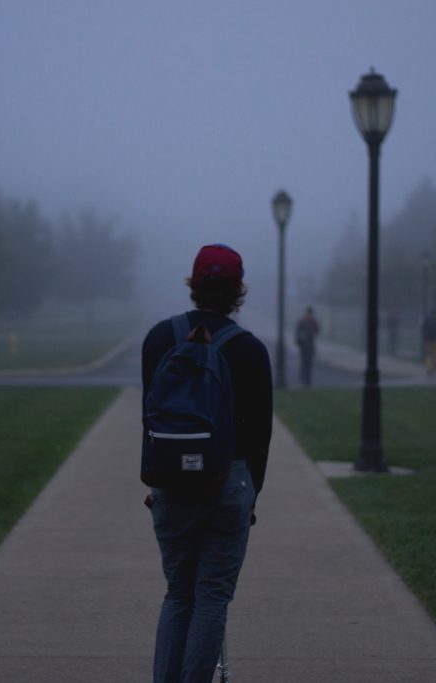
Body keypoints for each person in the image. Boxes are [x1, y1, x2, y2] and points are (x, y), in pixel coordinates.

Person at [141, 244, 273, 683]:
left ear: (194, 285)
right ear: (238, 291)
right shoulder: (250, 350)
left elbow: (149, 418)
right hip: (228, 482)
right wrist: (251, 495)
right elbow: (260, 437)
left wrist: (157, 480)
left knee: (179, 594)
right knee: (212, 596)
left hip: (171, 484)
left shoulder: (159, 339)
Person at [294, 305, 320, 386]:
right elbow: (298, 332)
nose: (309, 315)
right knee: (304, 361)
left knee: (308, 362)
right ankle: (304, 377)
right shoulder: (303, 321)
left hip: (310, 345)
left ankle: (307, 378)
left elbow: (317, 331)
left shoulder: (313, 322)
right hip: (303, 345)